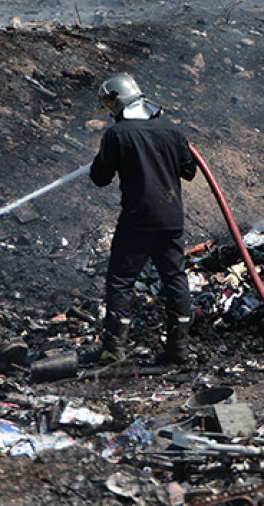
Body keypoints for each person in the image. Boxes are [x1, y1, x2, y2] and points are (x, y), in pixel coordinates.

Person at [90, 72, 198, 365]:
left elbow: (100, 177)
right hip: (171, 219)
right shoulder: (172, 130)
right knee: (175, 278)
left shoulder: (117, 134)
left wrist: (107, 158)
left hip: (137, 219)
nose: (110, 113)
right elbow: (189, 171)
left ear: (119, 100)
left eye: (111, 106)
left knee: (121, 281)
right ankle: (179, 349)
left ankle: (114, 349)